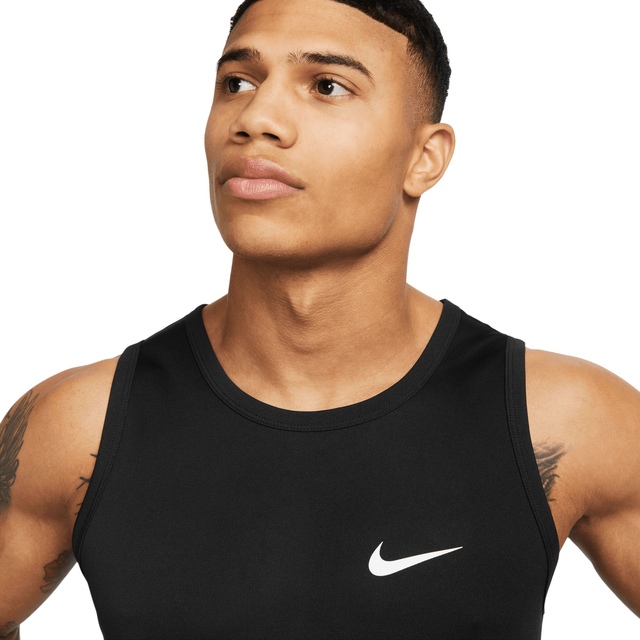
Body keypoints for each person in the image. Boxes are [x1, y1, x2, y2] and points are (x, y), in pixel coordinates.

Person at [1, 0, 639, 638]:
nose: (256, 118)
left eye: (327, 86)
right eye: (237, 83)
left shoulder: (563, 420)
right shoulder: (78, 427)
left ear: (425, 158)